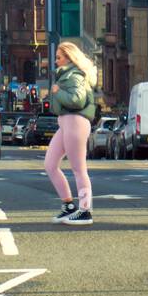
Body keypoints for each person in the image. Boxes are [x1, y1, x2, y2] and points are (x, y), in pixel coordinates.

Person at [44, 41, 97, 226]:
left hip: (75, 121)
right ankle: (68, 206)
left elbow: (76, 100)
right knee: (50, 164)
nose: (56, 61)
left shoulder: (74, 76)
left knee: (78, 169)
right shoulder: (65, 75)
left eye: (58, 57)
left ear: (69, 58)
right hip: (66, 122)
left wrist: (57, 92)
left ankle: (85, 211)